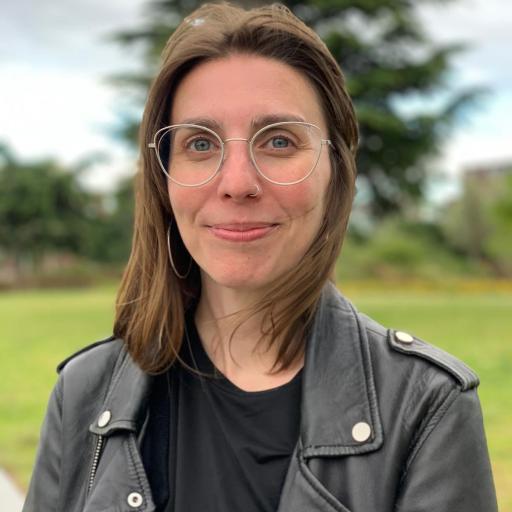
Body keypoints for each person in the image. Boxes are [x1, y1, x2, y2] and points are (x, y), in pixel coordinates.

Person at [23, 3, 498, 511]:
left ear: (336, 173)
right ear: (163, 180)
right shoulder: (85, 394)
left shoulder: (425, 405)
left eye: (278, 140)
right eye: (200, 144)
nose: (237, 184)